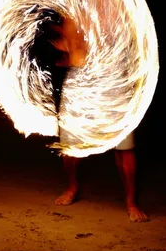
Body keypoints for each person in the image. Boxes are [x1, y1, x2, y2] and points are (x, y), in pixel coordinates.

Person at [45, 15, 149, 223]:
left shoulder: (125, 13)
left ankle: (131, 201)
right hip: (81, 88)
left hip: (116, 87)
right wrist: (66, 52)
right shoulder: (75, 15)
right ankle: (72, 186)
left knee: (125, 147)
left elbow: (136, 55)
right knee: (70, 145)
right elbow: (75, 59)